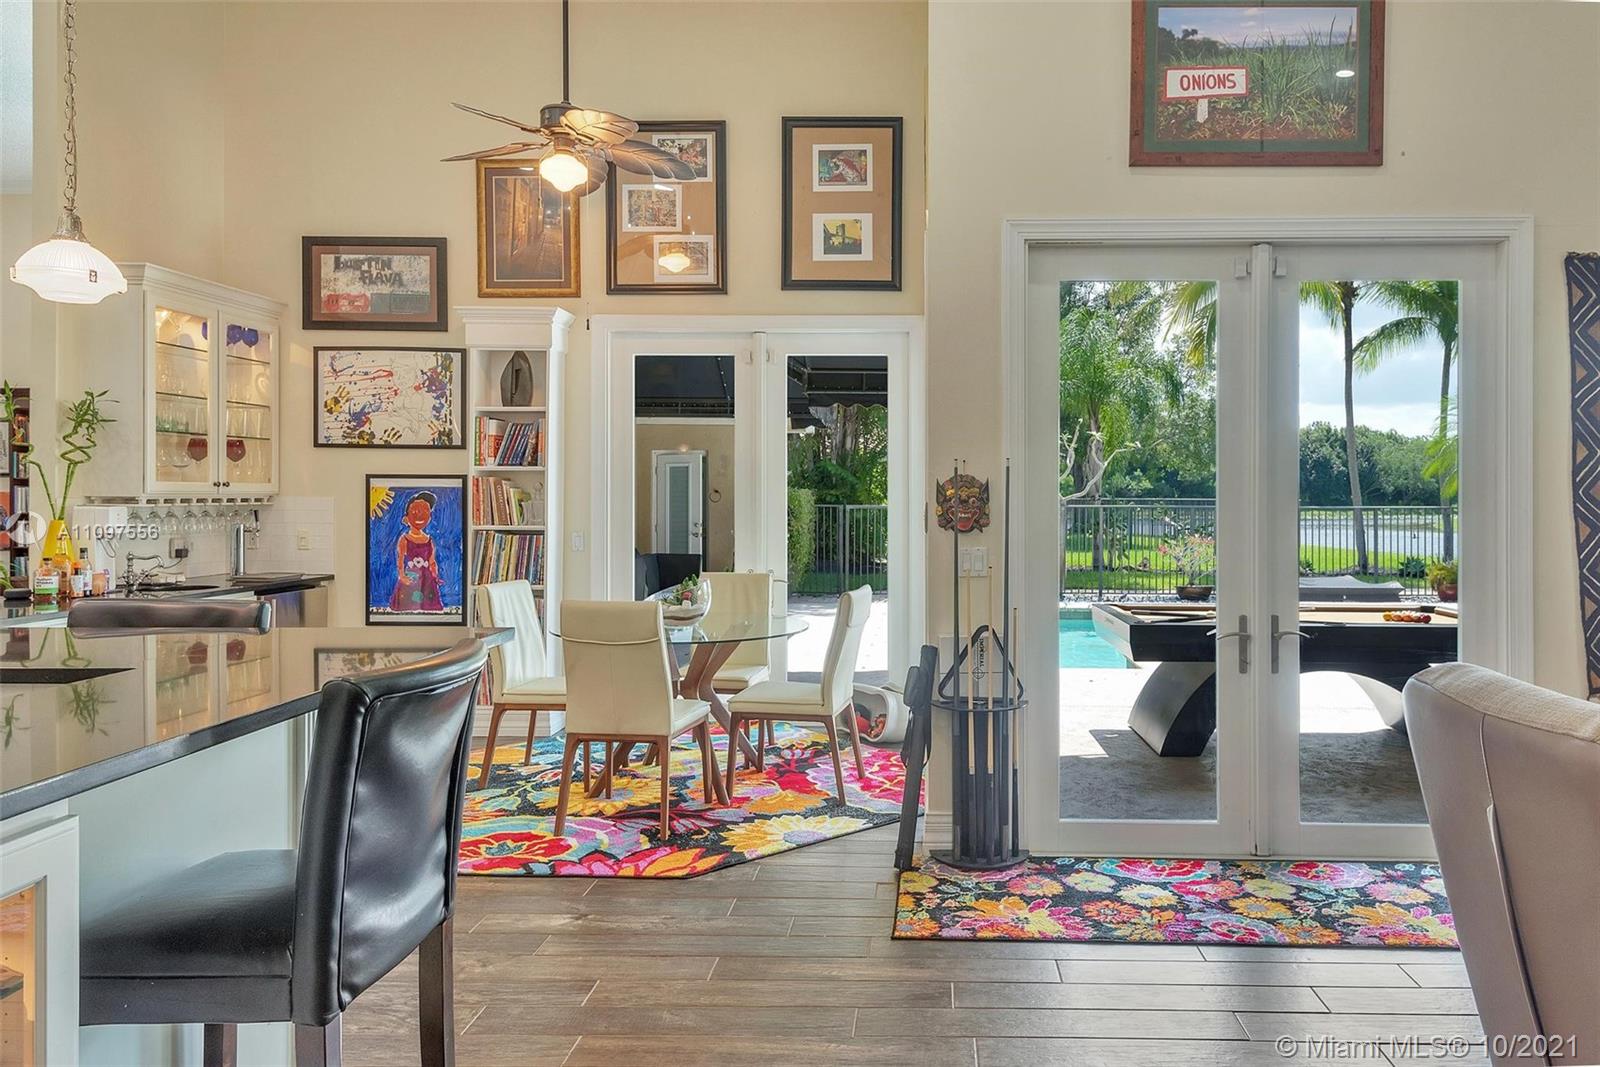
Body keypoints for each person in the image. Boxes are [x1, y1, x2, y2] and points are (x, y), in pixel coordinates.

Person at [389, 490, 444, 614]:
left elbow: (432, 561)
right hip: (411, 579)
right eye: (414, 512)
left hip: (427, 582)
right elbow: (400, 560)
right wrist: (402, 576)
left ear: (429, 517)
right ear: (406, 518)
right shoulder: (404, 539)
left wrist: (435, 576)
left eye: (425, 511)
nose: (420, 515)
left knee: (428, 609)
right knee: (407, 608)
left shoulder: (429, 540)